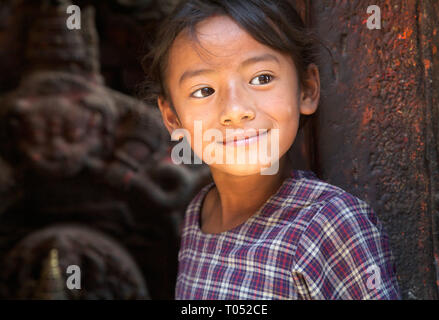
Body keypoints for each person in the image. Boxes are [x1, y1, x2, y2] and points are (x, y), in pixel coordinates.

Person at [143, 0, 401, 299]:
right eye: (204, 91)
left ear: (306, 90)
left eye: (261, 78)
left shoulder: (328, 223)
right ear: (173, 118)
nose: (235, 110)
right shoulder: (197, 214)